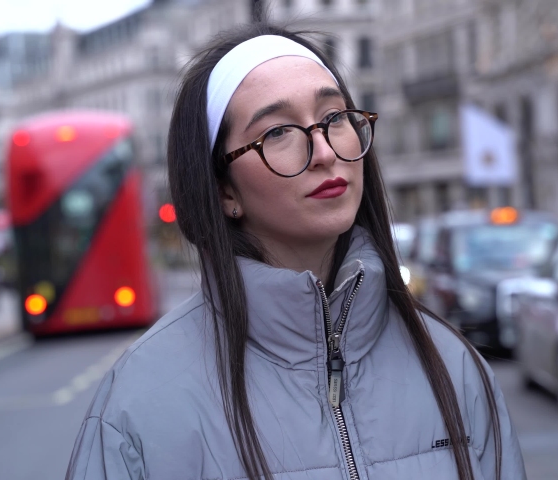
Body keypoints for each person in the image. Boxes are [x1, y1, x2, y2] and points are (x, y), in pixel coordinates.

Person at [66, 24, 526, 480]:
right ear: (224, 189)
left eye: (335, 118)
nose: (324, 150)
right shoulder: (139, 404)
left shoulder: (454, 366)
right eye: (279, 132)